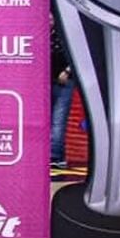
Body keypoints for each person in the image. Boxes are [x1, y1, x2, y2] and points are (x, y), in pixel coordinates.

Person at [50, 15, 71, 169]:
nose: (49, 19)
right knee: (42, 120)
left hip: (64, 81)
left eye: (51, 17)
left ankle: (56, 157)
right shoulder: (38, 33)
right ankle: (41, 154)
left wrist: (68, 71)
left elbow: (78, 55)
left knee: (58, 119)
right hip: (42, 82)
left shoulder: (65, 35)